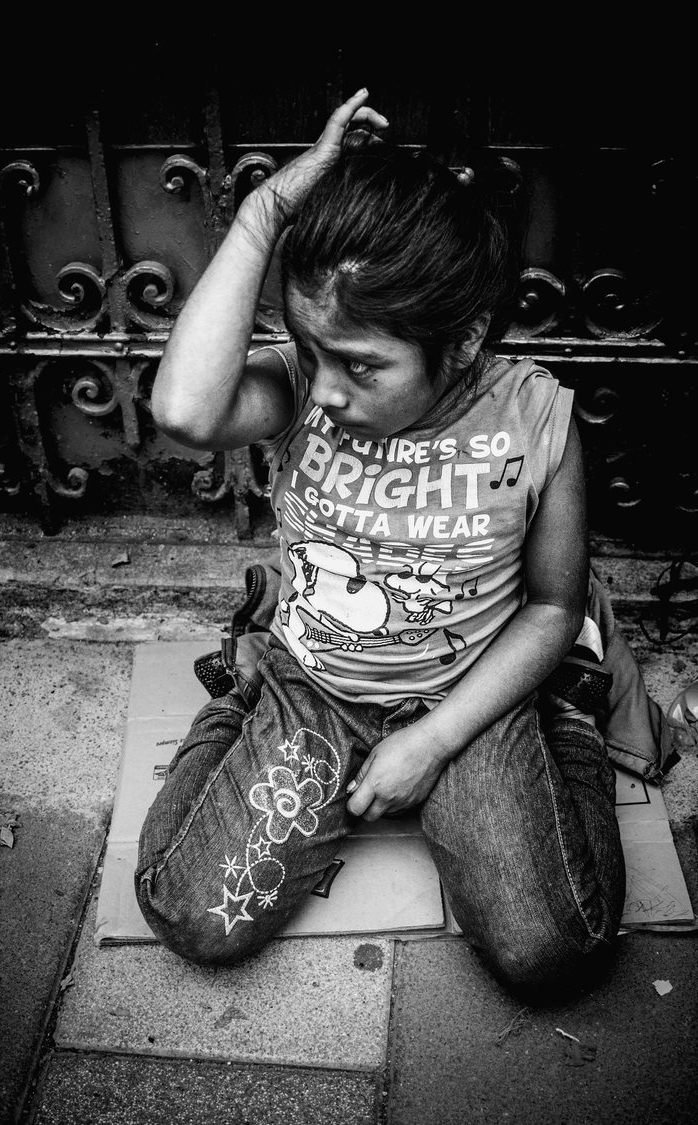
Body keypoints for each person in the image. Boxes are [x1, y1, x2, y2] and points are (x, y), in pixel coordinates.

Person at [135, 89, 626, 998]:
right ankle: (248, 683)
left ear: (464, 340)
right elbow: (185, 411)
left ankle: (563, 715)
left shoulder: (534, 418)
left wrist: (435, 741)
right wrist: (264, 212)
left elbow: (554, 605)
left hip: (470, 693)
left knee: (556, 949)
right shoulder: (295, 388)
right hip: (318, 688)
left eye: (362, 364)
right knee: (191, 909)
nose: (328, 388)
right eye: (313, 348)